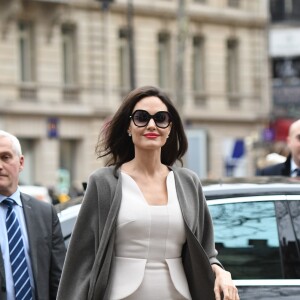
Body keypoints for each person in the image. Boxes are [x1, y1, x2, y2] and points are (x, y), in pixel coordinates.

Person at [57, 86, 239, 300]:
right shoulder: (104, 182)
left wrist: (221, 271)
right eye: (142, 117)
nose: (152, 125)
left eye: (161, 118)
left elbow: (206, 252)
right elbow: (81, 259)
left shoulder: (188, 182)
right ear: (128, 126)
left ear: (170, 128)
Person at [0, 130, 66, 300]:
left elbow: (58, 277)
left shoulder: (45, 213)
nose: (0, 165)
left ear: (21, 162)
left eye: (5, 157)